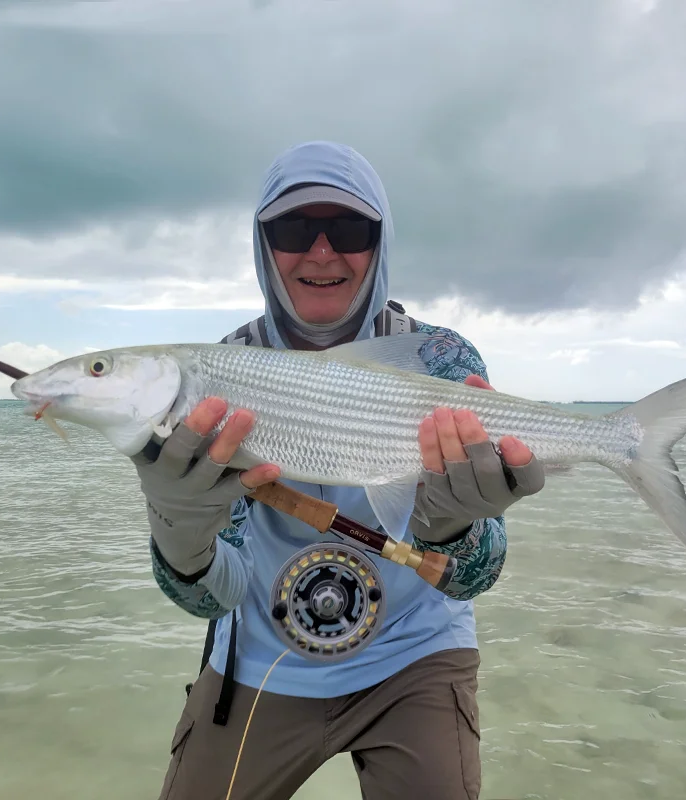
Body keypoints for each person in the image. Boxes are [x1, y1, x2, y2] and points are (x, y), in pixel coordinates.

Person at [136, 140, 545, 800]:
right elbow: (213, 599)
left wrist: (451, 528)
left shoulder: (438, 359)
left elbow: (477, 577)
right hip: (261, 660)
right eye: (293, 229)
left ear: (381, 243)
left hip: (416, 655)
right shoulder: (219, 372)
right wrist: (180, 533)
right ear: (262, 245)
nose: (322, 252)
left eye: (350, 229)